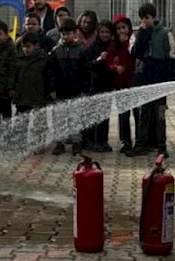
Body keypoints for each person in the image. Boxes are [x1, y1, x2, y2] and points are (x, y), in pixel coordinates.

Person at [128, 3, 175, 158]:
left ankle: (161, 146)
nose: (145, 21)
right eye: (142, 18)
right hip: (144, 79)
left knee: (160, 114)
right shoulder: (139, 34)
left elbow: (172, 56)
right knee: (144, 113)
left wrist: (167, 78)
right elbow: (136, 52)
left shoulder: (164, 34)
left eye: (147, 17)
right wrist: (142, 34)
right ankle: (141, 144)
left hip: (159, 79)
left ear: (154, 17)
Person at [49, 18, 88, 156]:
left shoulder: (81, 51)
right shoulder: (55, 51)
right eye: (63, 34)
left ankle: (77, 143)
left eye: (68, 33)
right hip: (60, 91)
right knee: (60, 117)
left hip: (76, 90)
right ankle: (60, 143)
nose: (65, 37)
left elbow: (85, 73)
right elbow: (51, 72)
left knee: (75, 117)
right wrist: (52, 89)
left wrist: (84, 90)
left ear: (75, 33)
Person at [83, 20, 116, 152]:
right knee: (94, 114)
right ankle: (92, 141)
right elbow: (88, 66)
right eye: (102, 32)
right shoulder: (92, 47)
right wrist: (99, 60)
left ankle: (104, 140)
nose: (104, 34)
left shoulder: (113, 47)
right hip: (94, 85)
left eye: (107, 32)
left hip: (107, 85)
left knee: (105, 114)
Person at [108, 14, 135, 154]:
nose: (121, 31)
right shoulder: (113, 45)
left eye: (124, 27)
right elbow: (110, 60)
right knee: (123, 114)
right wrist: (114, 67)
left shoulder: (132, 41)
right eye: (118, 28)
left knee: (137, 114)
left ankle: (142, 141)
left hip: (134, 83)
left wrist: (127, 44)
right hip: (120, 85)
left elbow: (134, 57)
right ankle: (125, 141)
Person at [13, 32, 55, 114]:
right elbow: (15, 76)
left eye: (28, 46)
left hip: (38, 96)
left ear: (36, 46)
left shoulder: (43, 59)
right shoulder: (19, 59)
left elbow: (48, 77)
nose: (25, 49)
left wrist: (50, 91)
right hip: (22, 98)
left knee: (39, 122)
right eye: (23, 47)